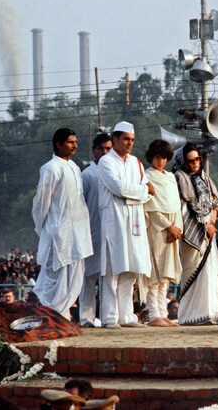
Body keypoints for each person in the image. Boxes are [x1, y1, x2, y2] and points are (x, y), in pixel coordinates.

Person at [97, 121, 154, 329]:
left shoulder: (136, 162)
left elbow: (146, 191)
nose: (130, 143)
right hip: (114, 220)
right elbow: (118, 188)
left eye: (132, 140)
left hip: (135, 222)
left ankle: (127, 316)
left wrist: (138, 193)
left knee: (131, 269)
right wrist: (140, 192)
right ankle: (110, 317)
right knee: (113, 270)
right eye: (126, 139)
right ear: (115, 139)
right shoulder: (106, 162)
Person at [32, 128, 93, 320]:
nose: (75, 145)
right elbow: (42, 201)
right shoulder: (50, 168)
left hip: (77, 232)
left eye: (75, 142)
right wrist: (44, 227)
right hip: (58, 231)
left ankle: (62, 314)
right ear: (58, 144)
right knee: (55, 275)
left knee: (74, 273)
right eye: (70, 142)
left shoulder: (74, 167)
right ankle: (52, 314)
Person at [174, 143, 218, 325]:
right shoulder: (179, 178)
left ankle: (209, 313)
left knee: (208, 274)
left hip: (209, 232)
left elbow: (216, 204)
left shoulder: (205, 178)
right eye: (190, 161)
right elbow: (185, 208)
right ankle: (189, 316)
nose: (195, 164)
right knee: (192, 272)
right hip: (191, 234)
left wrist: (211, 223)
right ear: (183, 162)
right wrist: (204, 225)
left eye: (197, 160)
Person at [143, 139, 183, 327]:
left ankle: (163, 312)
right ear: (152, 157)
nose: (161, 161)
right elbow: (151, 207)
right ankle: (153, 314)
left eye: (164, 158)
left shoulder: (170, 177)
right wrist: (168, 226)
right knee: (155, 274)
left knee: (166, 274)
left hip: (173, 229)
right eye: (158, 157)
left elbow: (175, 204)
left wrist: (176, 228)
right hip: (157, 228)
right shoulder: (146, 175)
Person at [79, 133, 112, 328]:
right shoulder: (87, 175)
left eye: (109, 149)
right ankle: (86, 318)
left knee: (108, 278)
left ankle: (109, 317)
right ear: (94, 151)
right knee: (89, 278)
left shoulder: (116, 172)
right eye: (101, 149)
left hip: (111, 233)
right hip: (91, 232)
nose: (105, 152)